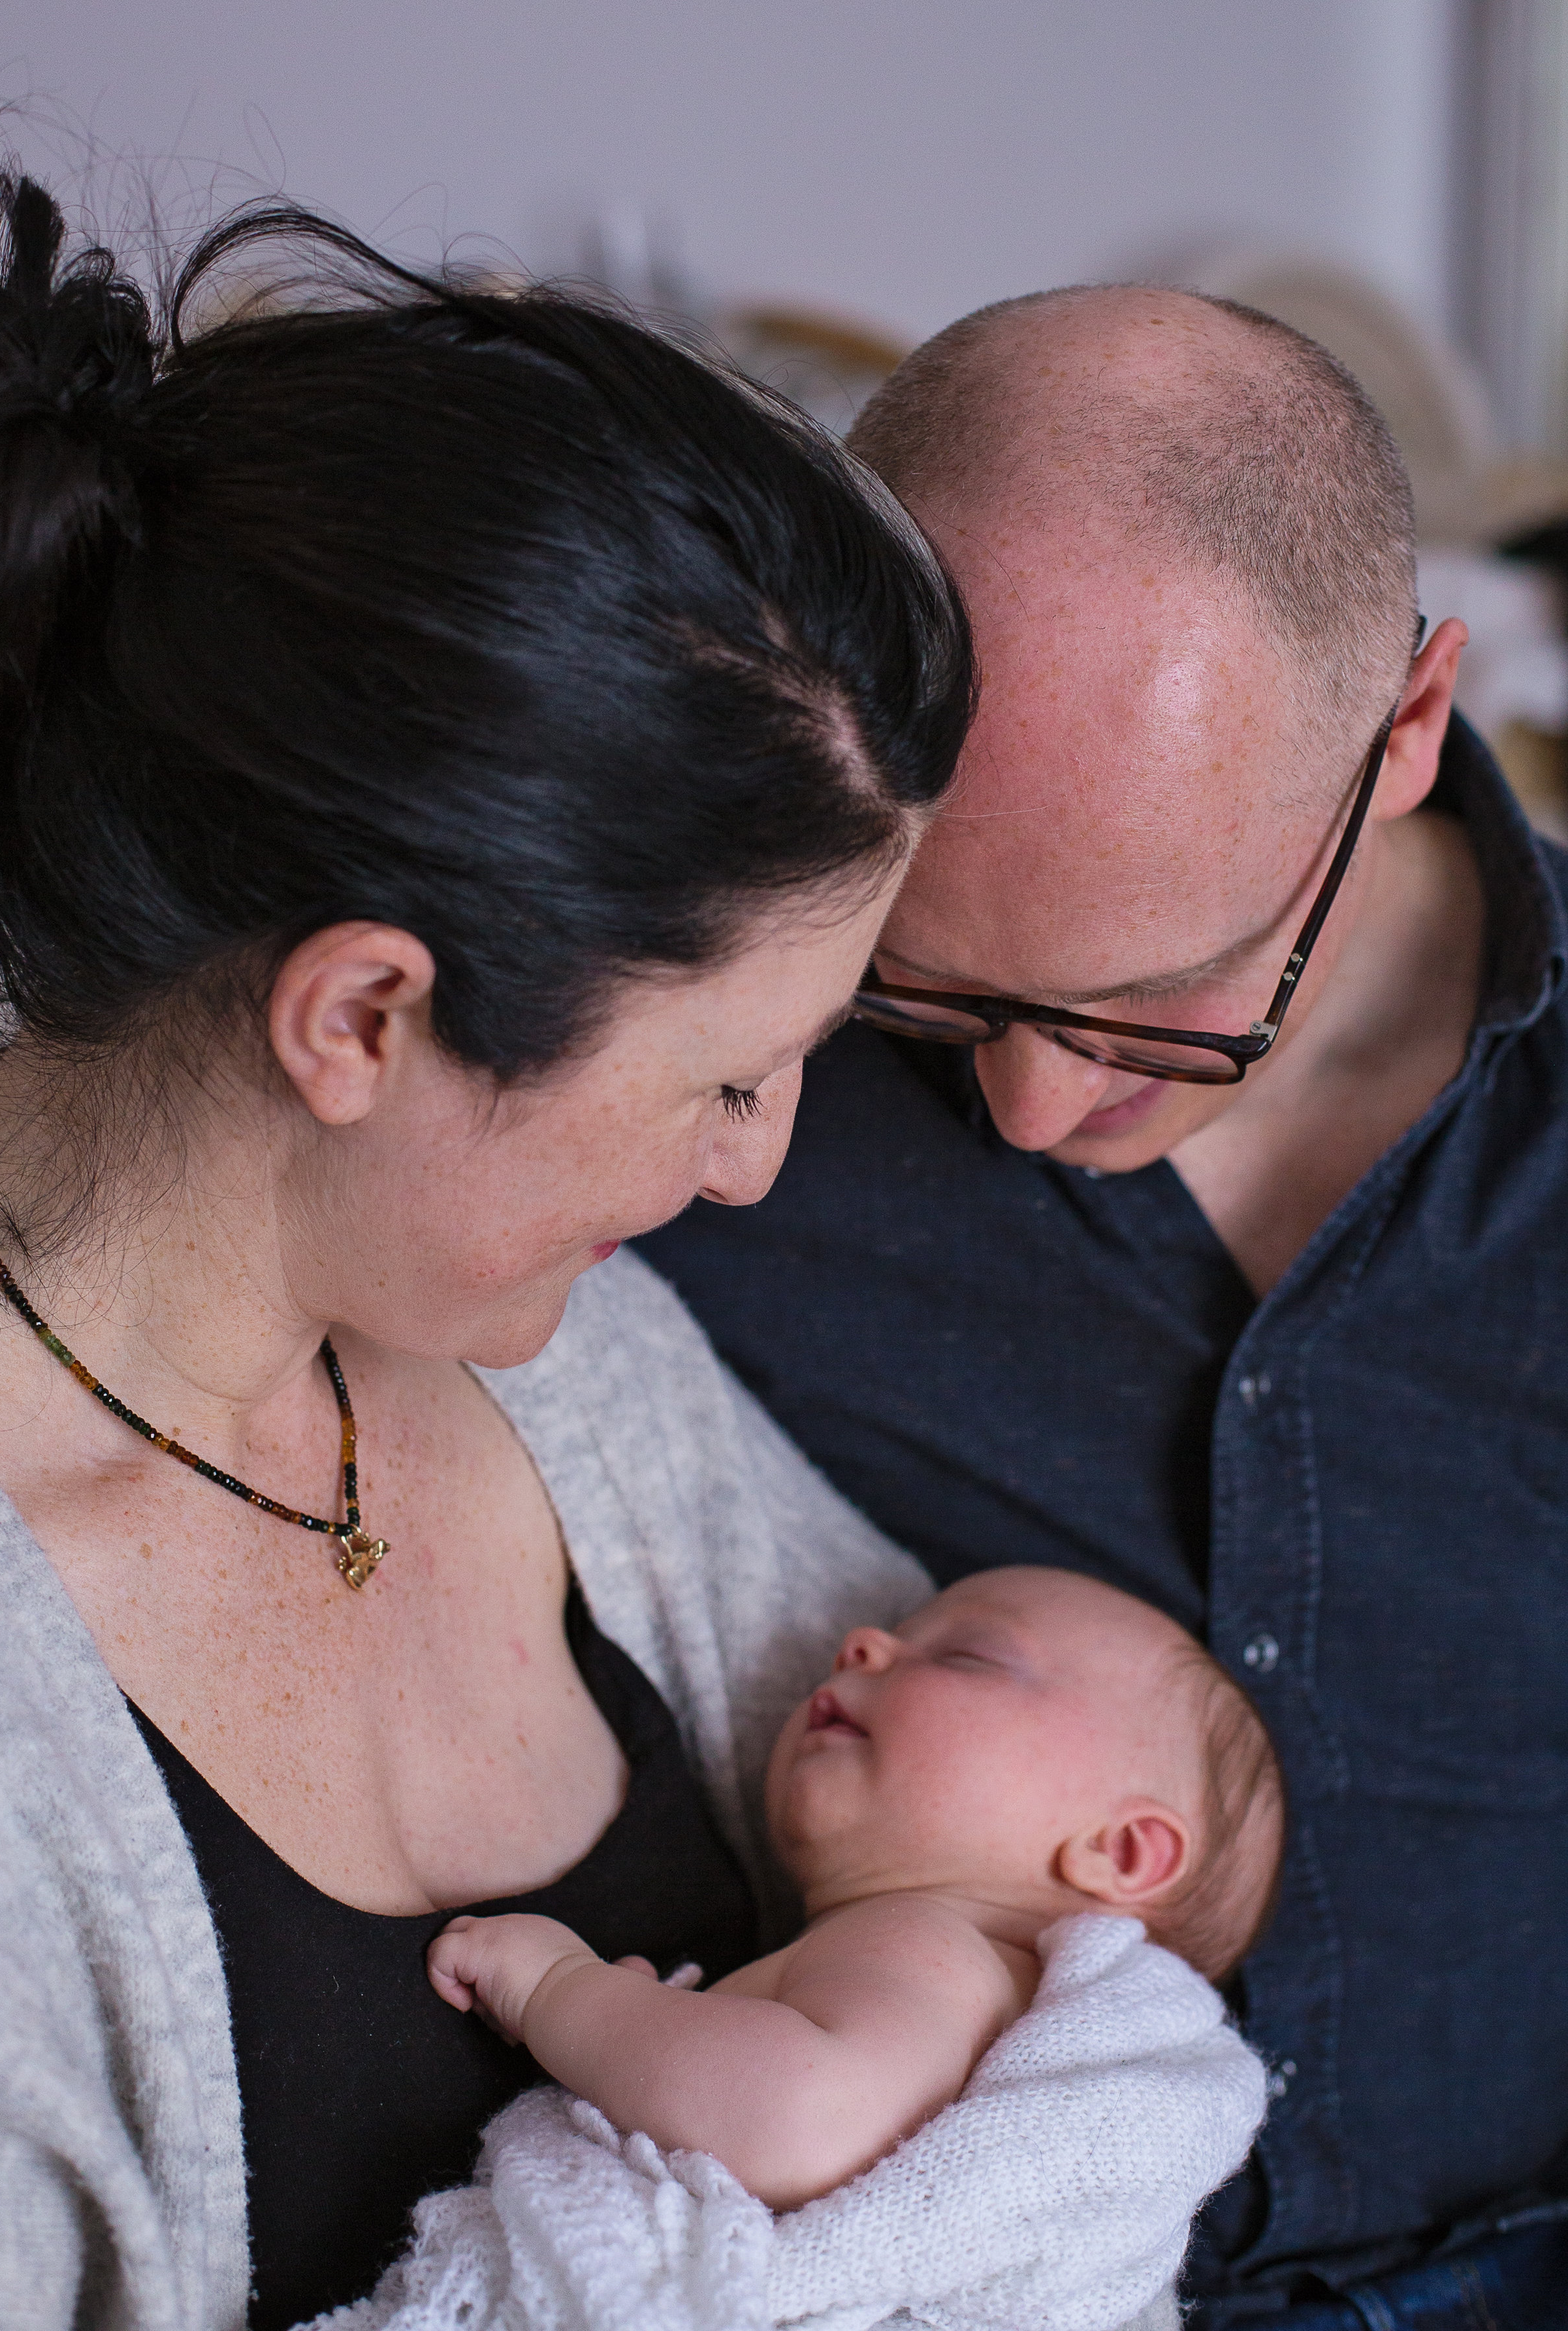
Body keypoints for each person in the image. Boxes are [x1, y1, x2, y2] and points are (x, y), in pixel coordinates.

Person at [0, 163, 976, 2330]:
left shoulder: (585, 1372)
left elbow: (1040, 1917)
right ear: (364, 1018)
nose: (759, 1170)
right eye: (720, 1078)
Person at [638, 286, 1568, 2328]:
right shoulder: (710, 1051)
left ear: (1408, 727)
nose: (1032, 1106)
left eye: (1160, 999)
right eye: (935, 987)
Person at [430, 1566, 1283, 2208]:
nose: (863, 1643)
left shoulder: (927, 1943)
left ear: (1123, 1851)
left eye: (967, 1653)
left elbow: (798, 2117)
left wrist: (562, 1991)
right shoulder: (949, 1974)